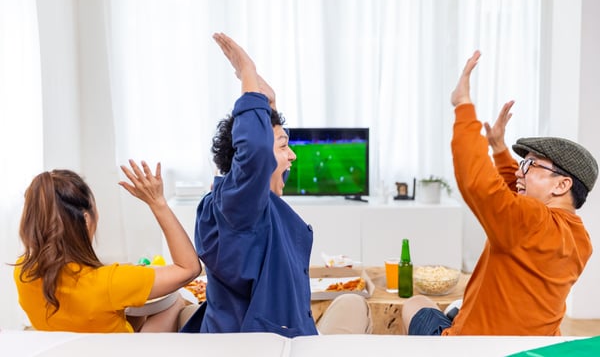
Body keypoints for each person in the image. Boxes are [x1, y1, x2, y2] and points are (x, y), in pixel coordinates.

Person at [402, 50, 598, 336]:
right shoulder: (580, 239)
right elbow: (512, 198)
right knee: (459, 305)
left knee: (415, 304)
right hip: (532, 346)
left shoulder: (531, 221)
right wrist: (499, 148)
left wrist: (463, 106)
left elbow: (479, 183)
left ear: (561, 184)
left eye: (530, 165)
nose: (520, 171)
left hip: (473, 349)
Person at [192, 33, 372, 337]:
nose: (293, 155)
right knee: (356, 306)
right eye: (284, 144)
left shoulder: (238, 201)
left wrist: (269, 105)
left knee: (352, 302)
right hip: (271, 342)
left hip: (269, 326)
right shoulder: (238, 207)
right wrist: (247, 72)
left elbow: (266, 161)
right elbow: (258, 154)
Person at [14, 160, 201, 332]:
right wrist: (158, 203)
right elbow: (189, 268)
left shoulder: (23, 272)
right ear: (86, 220)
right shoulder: (109, 282)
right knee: (174, 301)